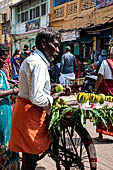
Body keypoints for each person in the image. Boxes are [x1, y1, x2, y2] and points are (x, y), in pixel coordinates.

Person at [9, 28, 63, 170]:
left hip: (26, 111)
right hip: (30, 114)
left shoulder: (33, 60)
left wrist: (50, 89)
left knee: (29, 157)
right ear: (44, 43)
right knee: (29, 159)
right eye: (55, 45)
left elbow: (33, 88)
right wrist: (52, 98)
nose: (57, 50)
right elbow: (37, 97)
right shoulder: (38, 63)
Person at [0, 43, 20, 169]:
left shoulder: (2, 73)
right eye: (2, 58)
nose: (5, 62)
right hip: (1, 115)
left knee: (10, 143)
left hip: (6, 112)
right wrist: (13, 91)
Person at [94, 47, 113, 141]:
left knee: (101, 111)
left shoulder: (105, 62)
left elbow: (100, 75)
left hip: (106, 89)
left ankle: (100, 135)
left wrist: (95, 89)